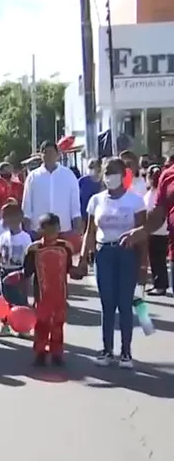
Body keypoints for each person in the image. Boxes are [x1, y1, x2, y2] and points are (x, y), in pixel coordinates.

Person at [80, 157, 145, 369]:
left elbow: (143, 235)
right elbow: (90, 231)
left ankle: (126, 352)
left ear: (124, 174)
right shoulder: (96, 200)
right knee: (107, 304)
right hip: (104, 253)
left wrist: (144, 266)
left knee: (125, 304)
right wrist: (83, 258)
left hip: (127, 254)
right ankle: (107, 350)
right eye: (107, 172)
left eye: (115, 171)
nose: (110, 176)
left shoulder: (135, 201)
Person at [23, 213, 79, 366]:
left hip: (60, 293)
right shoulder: (34, 249)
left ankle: (57, 353)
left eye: (54, 229)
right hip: (41, 294)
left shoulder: (65, 247)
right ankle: (40, 352)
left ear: (59, 228)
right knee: (42, 324)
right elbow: (27, 271)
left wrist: (77, 271)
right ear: (40, 230)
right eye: (47, 230)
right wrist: (18, 277)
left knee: (58, 324)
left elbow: (68, 268)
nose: (51, 233)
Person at [22, 141, 82, 240]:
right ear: (40, 155)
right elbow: (26, 207)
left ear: (57, 155)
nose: (48, 156)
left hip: (63, 231)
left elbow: (75, 206)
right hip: (39, 232)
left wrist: (77, 229)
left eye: (51, 152)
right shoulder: (33, 177)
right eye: (45, 153)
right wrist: (27, 231)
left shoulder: (68, 175)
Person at [0, 201, 32, 338]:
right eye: (5, 218)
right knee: (5, 300)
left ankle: (23, 327)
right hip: (4, 271)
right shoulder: (3, 237)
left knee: (21, 300)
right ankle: (5, 325)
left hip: (19, 272)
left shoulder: (25, 238)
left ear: (19, 219)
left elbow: (29, 255)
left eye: (10, 217)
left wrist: (26, 273)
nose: (7, 221)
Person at [144, 165, 169, 296]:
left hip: (155, 232)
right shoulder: (159, 193)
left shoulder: (152, 195)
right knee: (158, 260)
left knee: (157, 260)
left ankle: (160, 285)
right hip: (162, 231)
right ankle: (158, 283)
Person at [78, 159, 103, 226]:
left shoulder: (103, 183)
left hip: (99, 217)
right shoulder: (82, 181)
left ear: (99, 168)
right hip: (84, 217)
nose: (90, 169)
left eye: (92, 167)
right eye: (89, 167)